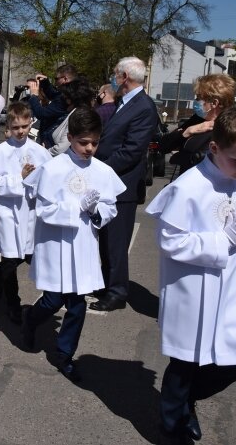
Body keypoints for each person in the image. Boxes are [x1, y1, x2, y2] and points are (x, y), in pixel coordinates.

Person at [145, 108, 236, 442]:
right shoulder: (189, 187)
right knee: (185, 364)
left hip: (230, 288)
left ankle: (187, 401)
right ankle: (172, 426)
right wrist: (223, 240)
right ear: (215, 149)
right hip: (191, 288)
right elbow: (170, 240)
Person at [22, 108, 125, 381]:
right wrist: (76, 206)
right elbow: (44, 209)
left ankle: (64, 354)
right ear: (70, 138)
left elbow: (110, 207)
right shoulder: (53, 169)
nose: (89, 148)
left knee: (77, 304)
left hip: (82, 246)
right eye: (83, 143)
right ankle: (31, 320)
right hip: (56, 244)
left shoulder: (102, 171)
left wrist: (95, 211)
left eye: (94, 142)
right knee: (53, 301)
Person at [91, 56, 159, 311]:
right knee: (106, 239)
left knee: (117, 242)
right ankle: (107, 282)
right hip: (111, 183)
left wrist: (99, 170)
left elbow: (131, 151)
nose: (112, 78)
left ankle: (117, 292)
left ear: (124, 77)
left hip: (122, 185)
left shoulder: (143, 106)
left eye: (115, 74)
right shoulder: (124, 101)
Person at [0, 102, 51, 324]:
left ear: (31, 123)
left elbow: (49, 181)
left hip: (30, 213)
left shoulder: (40, 152)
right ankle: (13, 304)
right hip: (8, 213)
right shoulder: (1, 151)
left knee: (31, 257)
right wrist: (19, 178)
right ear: (8, 127)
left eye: (24, 126)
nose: (21, 131)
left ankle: (0, 271)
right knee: (11, 260)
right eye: (16, 127)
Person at [160, 74, 236, 177]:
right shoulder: (197, 120)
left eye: (199, 98)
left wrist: (180, 157)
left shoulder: (227, 129)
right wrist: (187, 132)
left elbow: (206, 160)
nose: (195, 102)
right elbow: (163, 146)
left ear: (214, 103)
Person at [28, 64, 75, 145]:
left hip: (53, 141)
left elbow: (41, 113)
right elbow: (54, 95)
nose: (55, 83)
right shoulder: (69, 91)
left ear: (65, 79)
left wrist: (34, 96)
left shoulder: (68, 96)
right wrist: (45, 81)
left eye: (56, 79)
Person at [48, 77, 96, 157]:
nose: (64, 99)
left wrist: (45, 151)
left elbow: (61, 148)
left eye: (66, 97)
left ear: (72, 98)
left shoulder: (79, 116)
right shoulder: (76, 112)